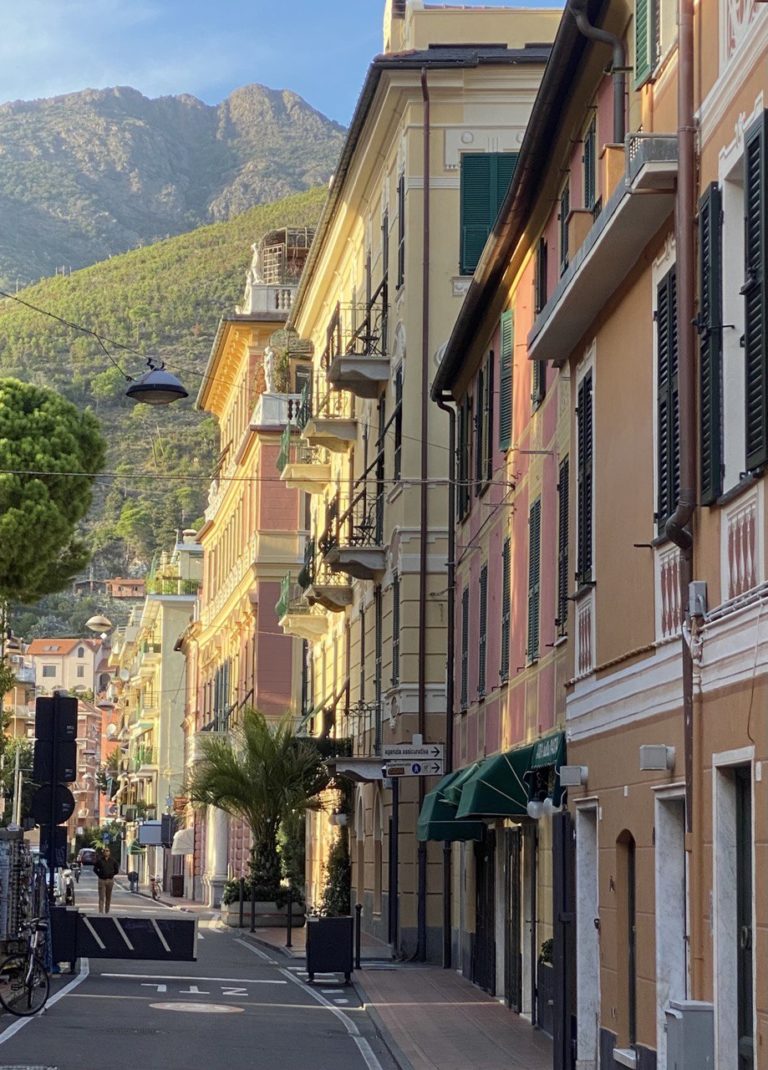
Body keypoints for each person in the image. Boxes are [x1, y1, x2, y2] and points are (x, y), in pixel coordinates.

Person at [93, 846, 119, 913]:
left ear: (109, 852)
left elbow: (117, 870)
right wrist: (100, 875)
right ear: (103, 853)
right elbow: (95, 869)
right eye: (105, 851)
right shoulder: (100, 860)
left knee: (108, 897)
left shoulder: (113, 861)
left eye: (107, 851)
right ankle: (101, 912)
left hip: (110, 881)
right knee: (101, 897)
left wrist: (112, 875)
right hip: (102, 880)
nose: (106, 852)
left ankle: (107, 911)